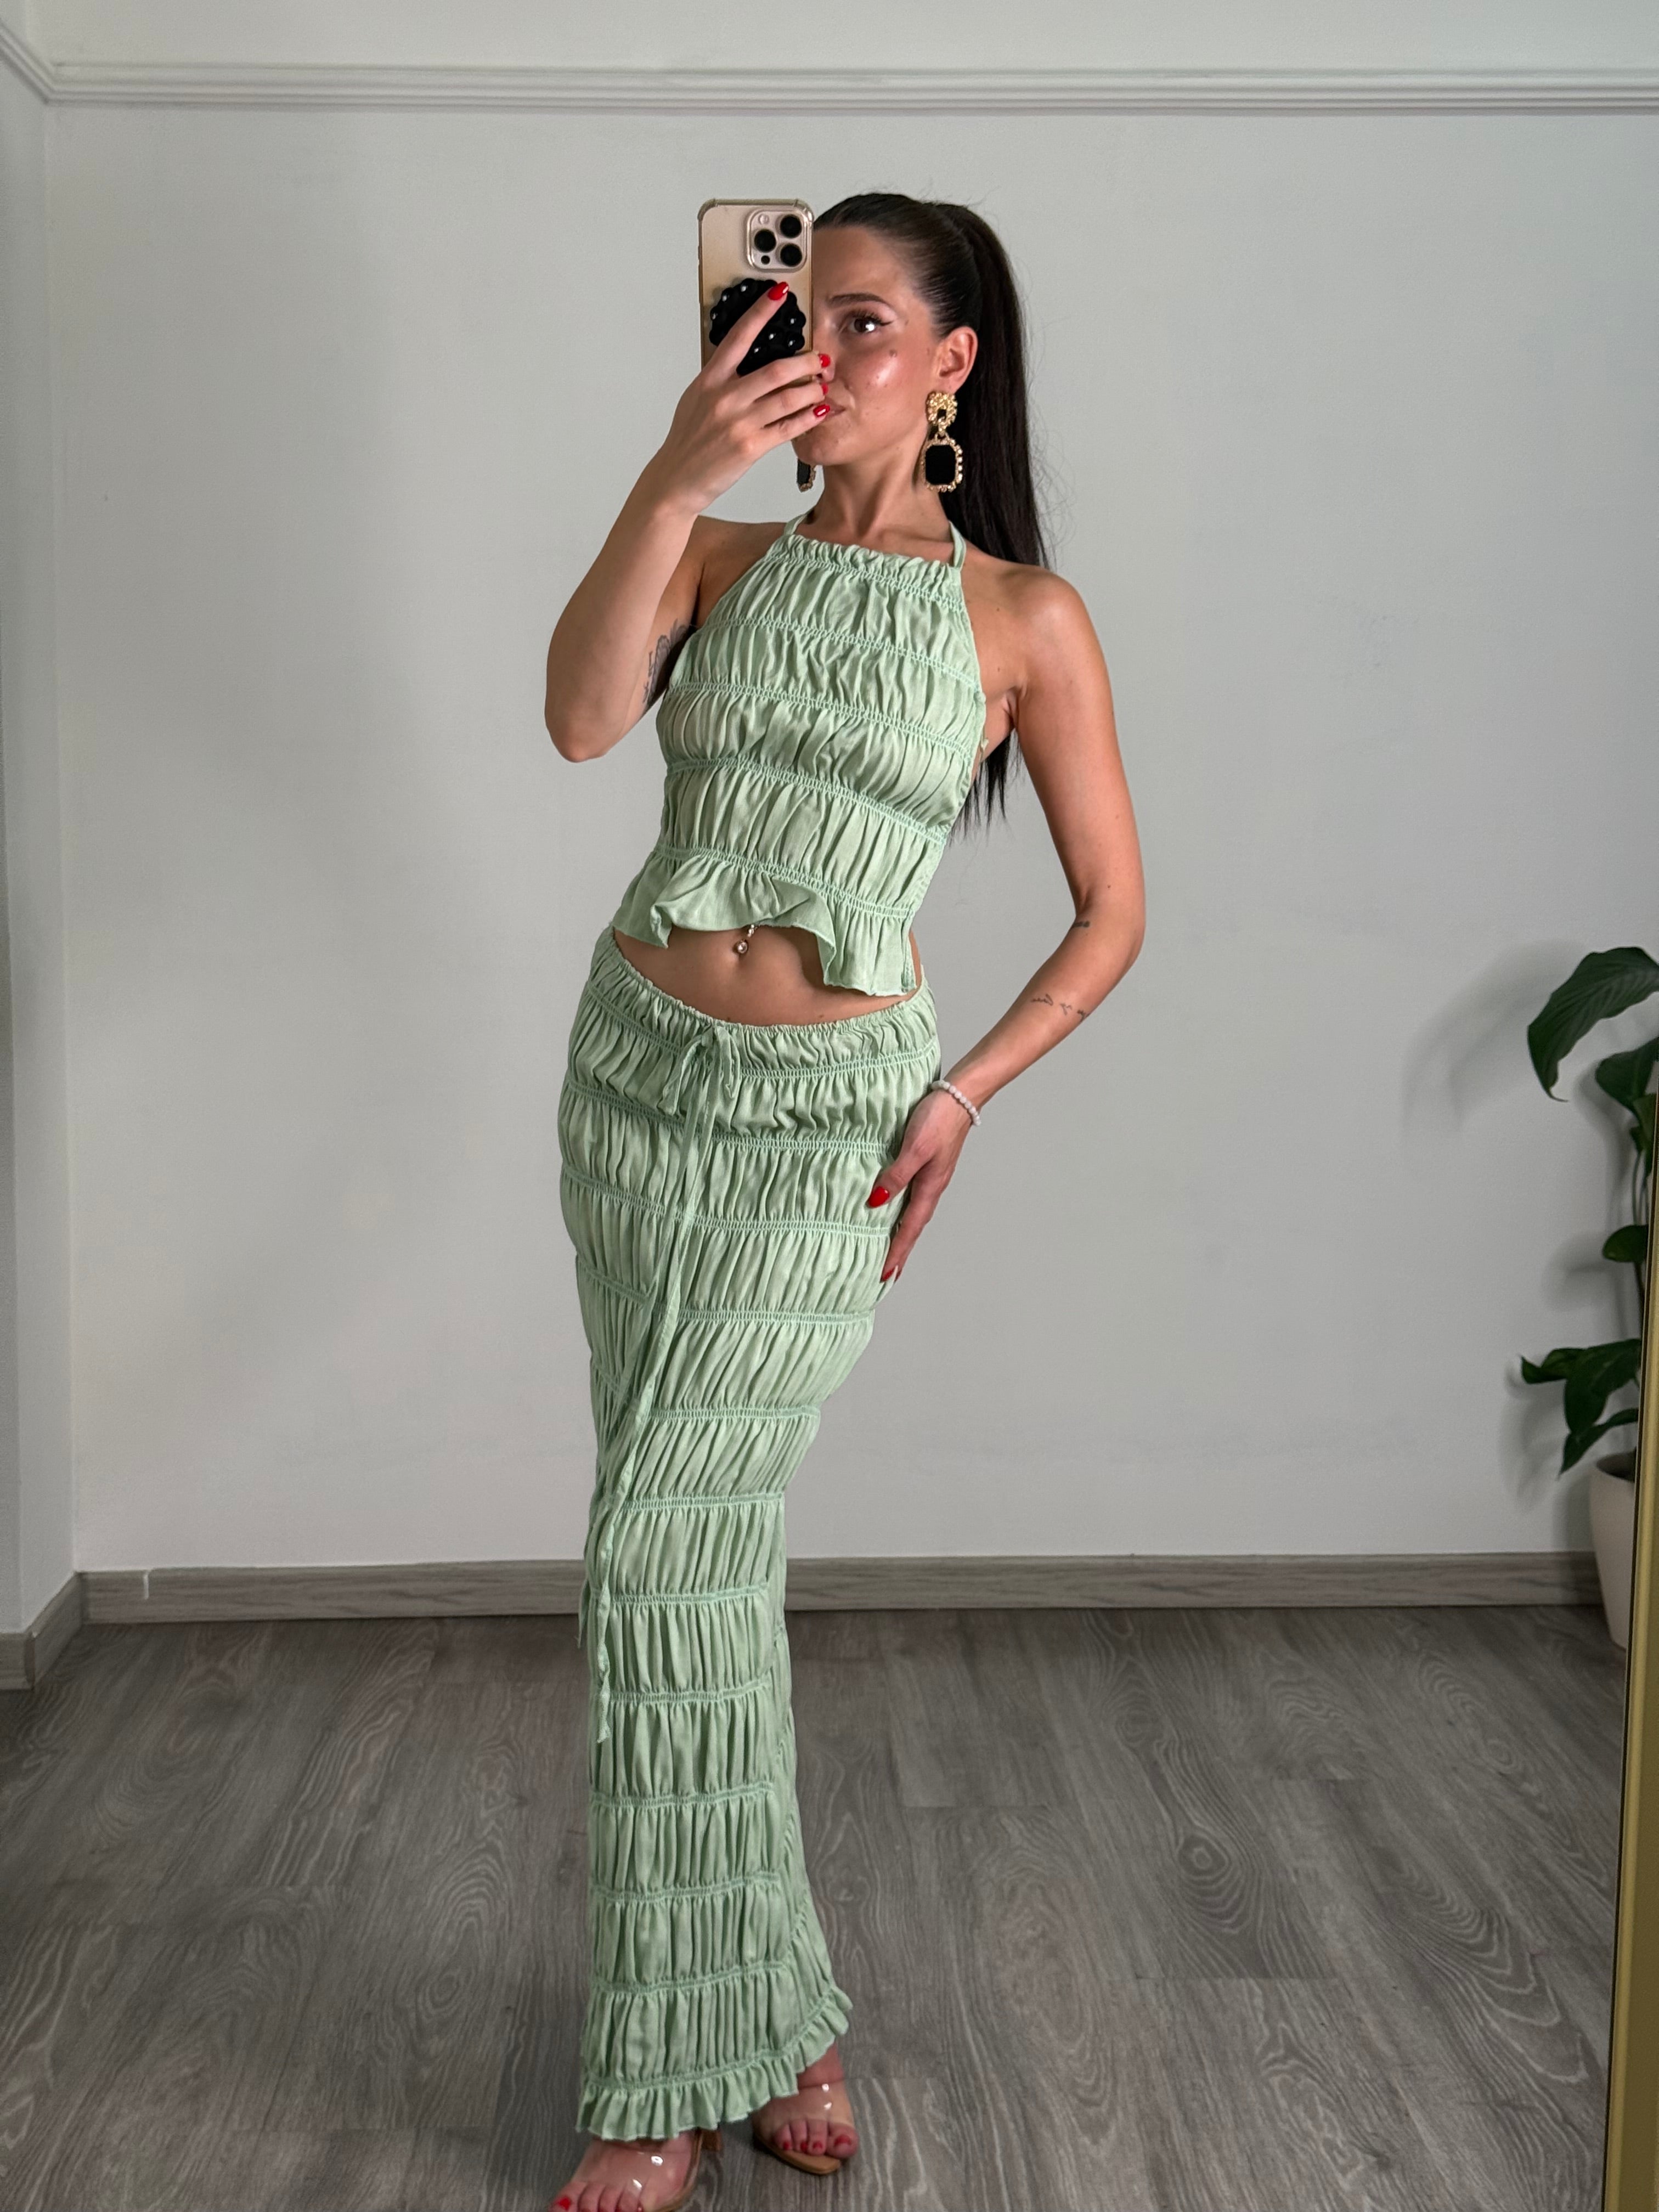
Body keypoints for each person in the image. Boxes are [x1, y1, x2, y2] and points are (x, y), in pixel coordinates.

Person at [541, 190, 1143, 2212]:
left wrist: (963, 1092)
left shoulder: (1024, 620)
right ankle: (779, 2014)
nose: (822, 347)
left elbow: (1115, 912)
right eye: (795, 311)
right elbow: (579, 720)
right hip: (638, 1091)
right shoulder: (714, 552)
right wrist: (671, 471)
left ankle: (658, 2082)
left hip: (826, 1131)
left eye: (863, 320)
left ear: (953, 364)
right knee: (701, 1565)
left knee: (654, 1553)